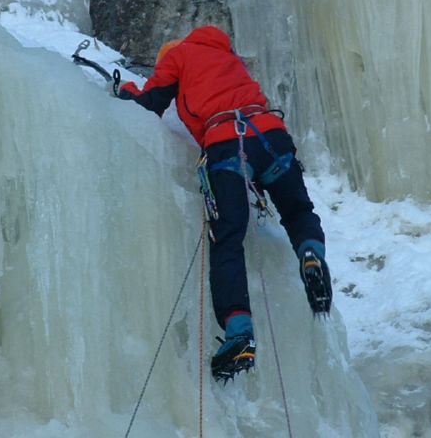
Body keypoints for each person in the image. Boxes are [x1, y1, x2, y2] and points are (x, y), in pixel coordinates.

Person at [118, 25, 332, 381]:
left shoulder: (178, 56)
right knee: (298, 212)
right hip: (271, 135)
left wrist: (125, 89)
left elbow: (151, 101)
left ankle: (239, 333)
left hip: (227, 143)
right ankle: (311, 255)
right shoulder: (228, 58)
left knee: (228, 239)